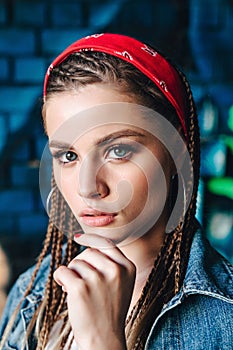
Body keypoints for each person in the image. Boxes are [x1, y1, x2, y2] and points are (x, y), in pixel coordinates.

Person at [0, 33, 233, 350]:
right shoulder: (32, 292)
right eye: (68, 156)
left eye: (119, 151)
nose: (88, 188)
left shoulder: (225, 315)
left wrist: (103, 341)